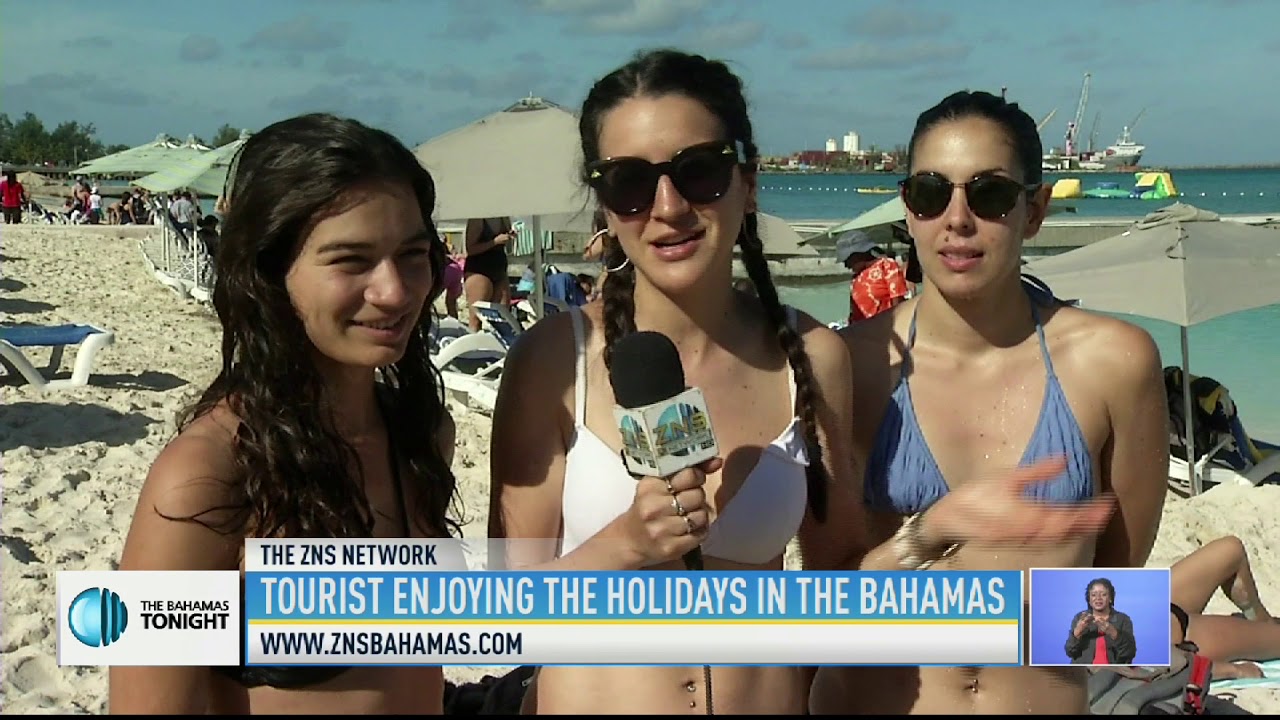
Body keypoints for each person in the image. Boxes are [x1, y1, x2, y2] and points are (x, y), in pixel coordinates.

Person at [487, 47, 867, 715]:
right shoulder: (552, 361)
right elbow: (503, 618)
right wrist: (623, 544)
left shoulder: (813, 356)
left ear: (747, 181)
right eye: (630, 182)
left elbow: (838, 584)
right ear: (603, 204)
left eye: (698, 173)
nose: (667, 207)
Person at [811, 89, 1169, 714]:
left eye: (990, 194)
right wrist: (923, 539)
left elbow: (1119, 597)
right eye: (930, 193)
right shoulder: (852, 366)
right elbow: (823, 612)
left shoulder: (1115, 363)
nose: (957, 219)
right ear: (908, 209)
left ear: (1034, 211)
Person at [108, 112, 460, 715]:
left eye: (412, 254)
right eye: (351, 261)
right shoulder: (210, 477)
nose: (397, 292)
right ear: (270, 275)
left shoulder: (421, 435)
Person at [1167, 535, 1280, 679]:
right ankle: (1264, 633)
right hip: (1176, 640)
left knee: (1231, 549)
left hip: (1149, 606)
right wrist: (1231, 670)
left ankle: (1262, 621)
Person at [833, 229, 909, 324]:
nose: (846, 266)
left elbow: (898, 303)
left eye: (846, 260)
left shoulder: (886, 266)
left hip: (885, 330)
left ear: (858, 254)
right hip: (861, 333)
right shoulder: (856, 278)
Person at [1065, 578, 1137, 664]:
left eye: (1103, 594)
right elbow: (1070, 652)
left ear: (1110, 598)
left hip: (1113, 671)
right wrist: (1077, 632)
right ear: (1089, 599)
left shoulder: (1123, 619)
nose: (1098, 598)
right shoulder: (1080, 618)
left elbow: (1130, 653)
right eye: (1094, 595)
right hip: (1084, 671)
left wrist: (1114, 633)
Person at [462, 216, 514, 332]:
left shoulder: (504, 217)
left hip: (499, 268)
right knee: (476, 317)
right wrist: (494, 242)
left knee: (503, 316)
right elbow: (470, 249)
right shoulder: (478, 218)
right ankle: (474, 346)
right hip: (479, 269)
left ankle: (499, 347)